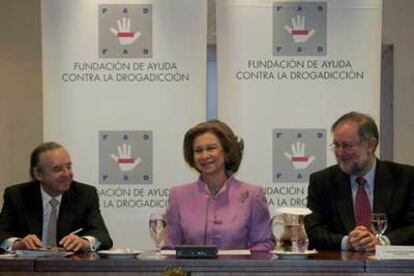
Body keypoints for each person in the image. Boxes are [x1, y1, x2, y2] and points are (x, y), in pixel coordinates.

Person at [305, 112, 414, 251]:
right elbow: (313, 230)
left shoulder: (405, 178)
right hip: (340, 269)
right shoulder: (321, 181)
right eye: (336, 145)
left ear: (370, 145)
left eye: (347, 145)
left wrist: (382, 242)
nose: (340, 152)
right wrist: (347, 242)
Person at [164, 120, 274, 251]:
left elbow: (263, 245)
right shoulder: (178, 195)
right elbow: (170, 248)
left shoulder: (253, 194)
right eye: (198, 150)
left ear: (226, 152)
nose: (204, 155)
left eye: (211, 148)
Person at [0, 142, 113, 252]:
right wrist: (18, 244)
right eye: (58, 169)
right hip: (28, 268)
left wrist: (84, 242)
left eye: (68, 167)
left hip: (68, 267)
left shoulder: (85, 194)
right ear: (38, 174)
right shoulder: (17, 195)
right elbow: (2, 233)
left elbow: (102, 236)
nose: (67, 174)